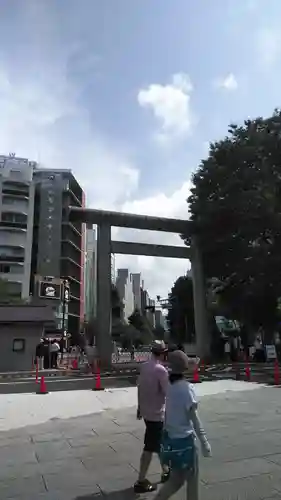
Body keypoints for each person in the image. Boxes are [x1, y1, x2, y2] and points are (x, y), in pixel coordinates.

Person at [155, 350, 211, 500]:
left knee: (176, 481)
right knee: (192, 482)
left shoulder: (170, 388)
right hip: (186, 443)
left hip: (171, 443)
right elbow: (194, 418)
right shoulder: (187, 389)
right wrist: (204, 441)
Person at [134, 340, 170, 494]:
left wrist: (139, 407)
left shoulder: (144, 367)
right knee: (150, 446)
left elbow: (139, 388)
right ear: (162, 353)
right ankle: (141, 480)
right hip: (157, 413)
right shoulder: (161, 370)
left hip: (147, 413)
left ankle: (166, 470)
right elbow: (168, 392)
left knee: (159, 442)